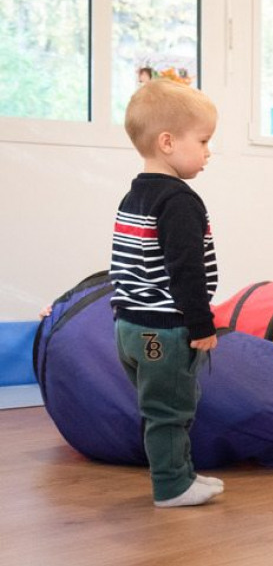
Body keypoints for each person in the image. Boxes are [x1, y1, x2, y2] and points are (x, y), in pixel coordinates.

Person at [110, 79, 224, 508]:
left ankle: (182, 474)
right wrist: (201, 325)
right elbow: (186, 271)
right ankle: (172, 487)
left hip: (130, 327)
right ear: (168, 142)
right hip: (164, 330)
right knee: (170, 410)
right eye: (204, 140)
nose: (209, 151)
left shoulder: (133, 195)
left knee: (167, 404)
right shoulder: (179, 201)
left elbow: (126, 265)